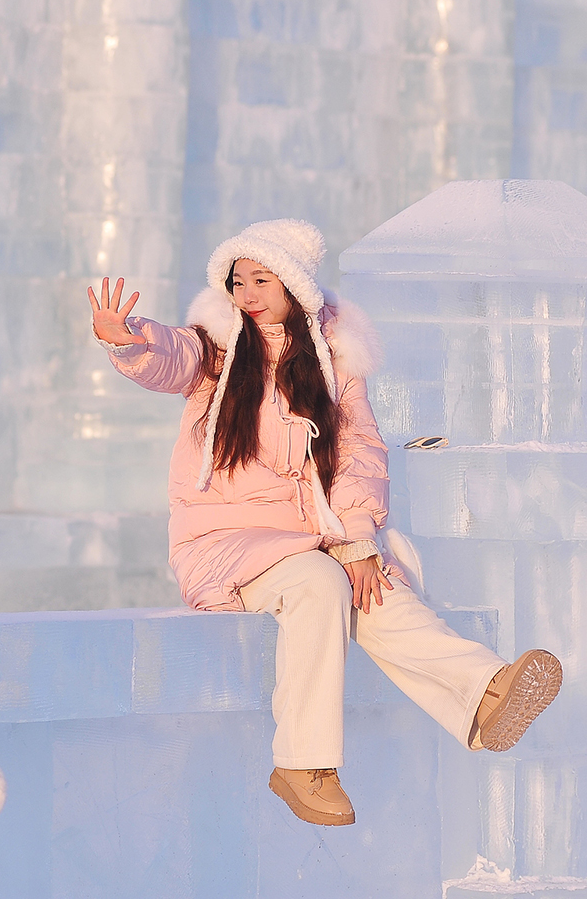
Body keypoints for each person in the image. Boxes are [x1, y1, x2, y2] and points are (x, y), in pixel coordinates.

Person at [89, 218, 563, 826]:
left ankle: (483, 693)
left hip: (310, 534)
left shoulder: (333, 361)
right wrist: (129, 339)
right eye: (238, 282)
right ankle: (302, 763)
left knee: (373, 584)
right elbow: (171, 358)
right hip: (223, 542)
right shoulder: (217, 346)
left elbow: (361, 451)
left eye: (262, 280)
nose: (248, 296)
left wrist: (358, 537)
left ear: (295, 287)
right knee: (318, 582)